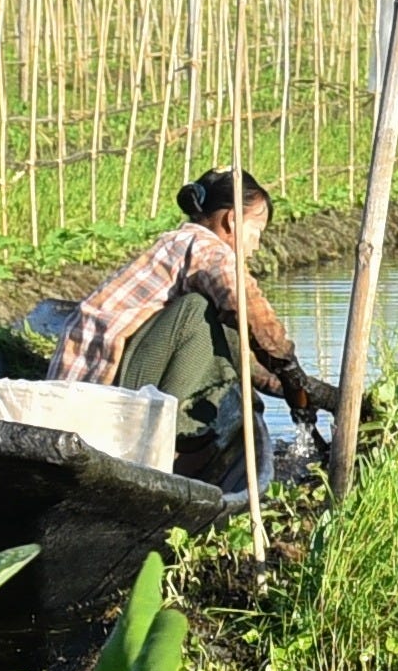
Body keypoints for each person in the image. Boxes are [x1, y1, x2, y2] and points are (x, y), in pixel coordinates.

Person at [57, 168, 338, 483]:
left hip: (105, 389)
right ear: (232, 221)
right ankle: (171, 434)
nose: (256, 245)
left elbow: (241, 352)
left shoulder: (181, 245)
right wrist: (288, 364)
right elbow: (246, 306)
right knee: (197, 310)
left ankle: (178, 437)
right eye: (257, 231)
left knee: (216, 321)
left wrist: (300, 388)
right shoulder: (203, 246)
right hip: (99, 398)